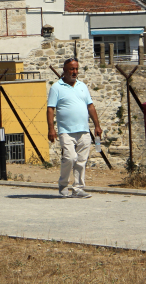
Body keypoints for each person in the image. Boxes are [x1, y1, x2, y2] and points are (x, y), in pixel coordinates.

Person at [46, 57, 103, 198]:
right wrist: (51, 129)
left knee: (81, 160)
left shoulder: (82, 86)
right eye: (71, 69)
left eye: (76, 69)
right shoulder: (56, 87)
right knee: (70, 157)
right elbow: (50, 109)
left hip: (83, 130)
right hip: (66, 131)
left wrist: (97, 126)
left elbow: (90, 106)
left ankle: (78, 188)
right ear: (64, 70)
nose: (74, 72)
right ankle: (63, 184)